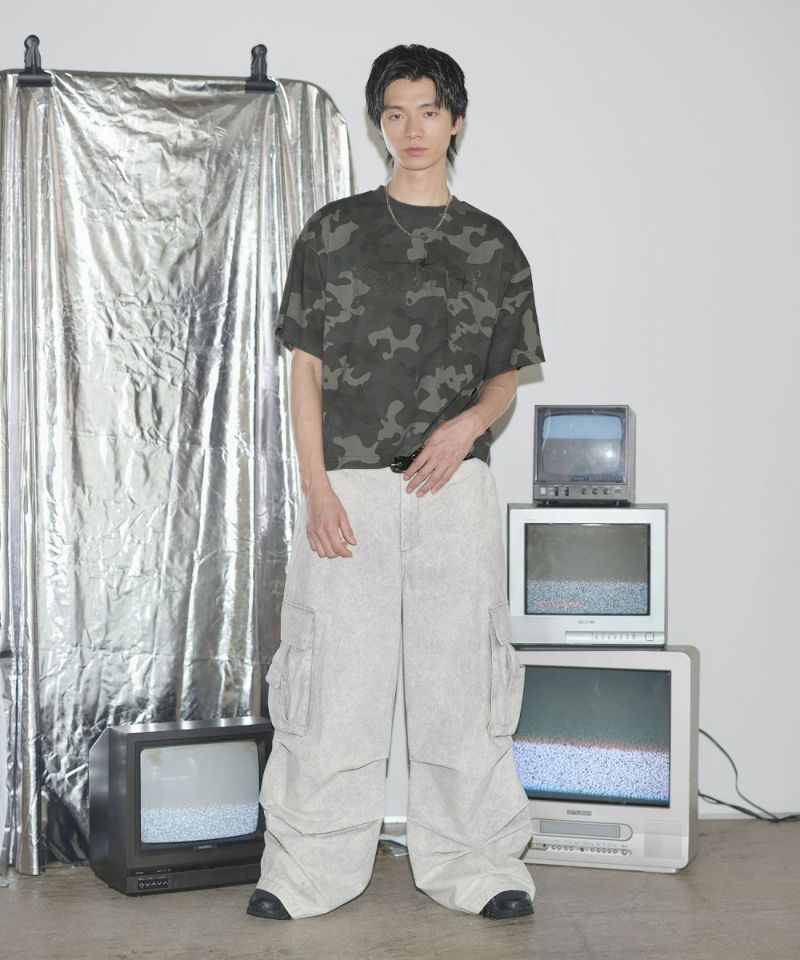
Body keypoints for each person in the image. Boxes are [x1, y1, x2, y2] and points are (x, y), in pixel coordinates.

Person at [247, 43, 544, 922]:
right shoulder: (332, 233)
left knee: (463, 683)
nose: (413, 129)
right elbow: (304, 369)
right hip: (350, 489)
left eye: (429, 111)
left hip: (452, 490)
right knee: (330, 685)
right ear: (381, 125)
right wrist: (316, 488)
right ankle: (305, 870)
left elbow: (506, 375)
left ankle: (477, 863)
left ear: (455, 121)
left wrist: (467, 425)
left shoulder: (493, 245)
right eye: (395, 113)